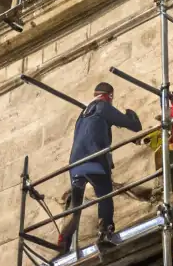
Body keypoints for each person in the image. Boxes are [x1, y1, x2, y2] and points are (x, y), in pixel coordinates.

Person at [58, 82, 142, 251]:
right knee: (105, 195)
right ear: (109, 96)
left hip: (75, 165)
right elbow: (133, 125)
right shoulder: (103, 107)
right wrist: (131, 114)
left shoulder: (82, 115)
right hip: (94, 160)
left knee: (76, 205)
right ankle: (105, 233)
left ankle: (64, 240)